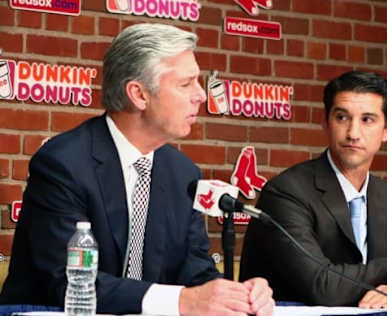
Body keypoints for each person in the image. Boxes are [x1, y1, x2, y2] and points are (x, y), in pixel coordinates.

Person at [0, 23, 274, 316]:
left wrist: (237, 296)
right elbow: (68, 281)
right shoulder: (63, 164)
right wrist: (183, 301)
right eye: (185, 84)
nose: (201, 95)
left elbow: (196, 274)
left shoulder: (183, 174)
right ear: (139, 94)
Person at [239, 71, 387, 308]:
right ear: (325, 122)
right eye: (342, 117)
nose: (353, 133)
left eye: (367, 120)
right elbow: (321, 286)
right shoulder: (287, 191)